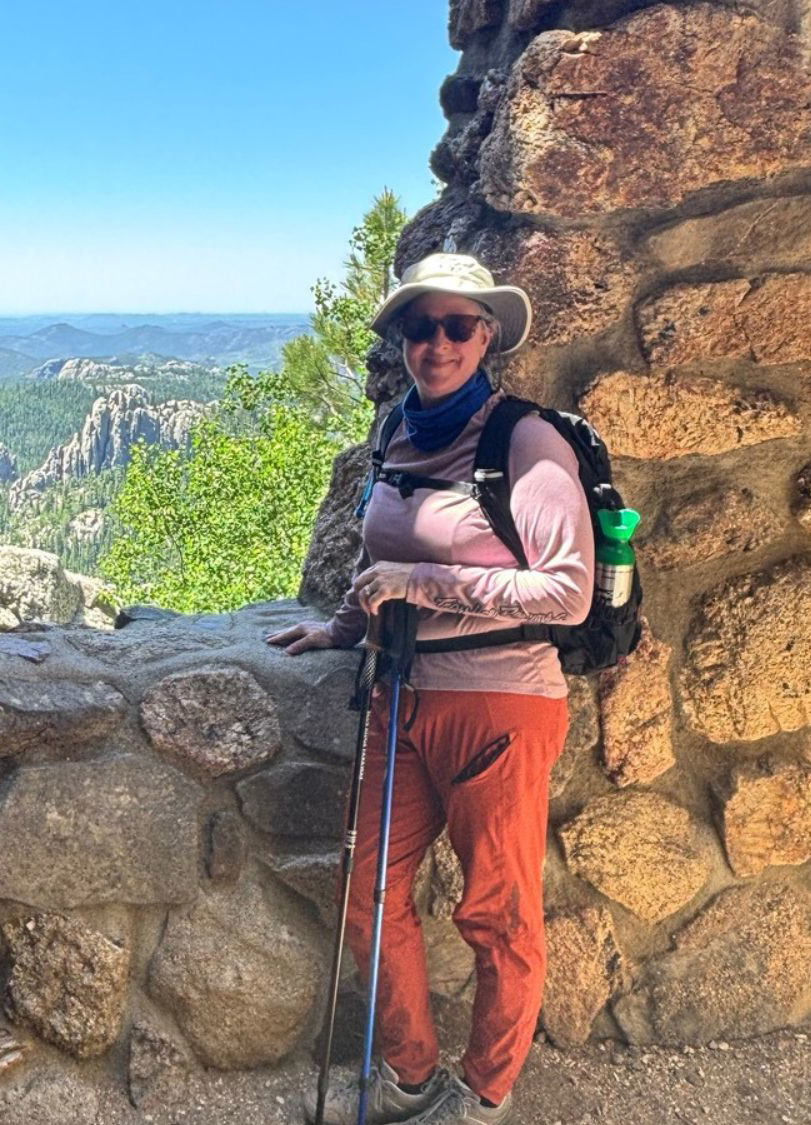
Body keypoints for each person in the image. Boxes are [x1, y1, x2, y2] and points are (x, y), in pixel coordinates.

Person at [269, 253, 592, 1125]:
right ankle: (408, 1074)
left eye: (457, 326)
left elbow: (567, 589)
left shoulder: (525, 440)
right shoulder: (395, 434)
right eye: (421, 327)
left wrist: (426, 584)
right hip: (398, 693)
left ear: (487, 336)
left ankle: (482, 1094)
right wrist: (342, 627)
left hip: (500, 701)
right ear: (403, 341)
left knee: (498, 911)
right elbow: (381, 559)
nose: (437, 343)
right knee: (370, 890)